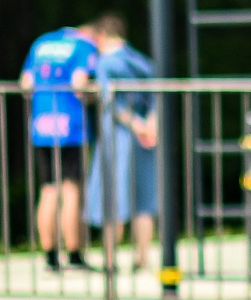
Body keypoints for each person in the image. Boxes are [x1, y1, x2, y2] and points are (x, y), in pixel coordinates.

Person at [81, 14, 160, 270]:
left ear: (102, 36)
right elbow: (157, 96)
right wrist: (150, 123)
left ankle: (111, 260)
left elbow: (110, 101)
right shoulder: (141, 60)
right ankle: (142, 258)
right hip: (146, 137)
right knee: (144, 197)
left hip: (119, 136)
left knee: (112, 196)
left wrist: (133, 123)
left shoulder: (105, 63)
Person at [20, 21, 100, 270]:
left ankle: (50, 256)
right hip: (70, 125)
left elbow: (25, 84)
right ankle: (74, 253)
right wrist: (95, 93)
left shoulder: (42, 42)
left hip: (42, 124)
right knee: (71, 189)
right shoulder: (84, 45)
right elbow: (79, 83)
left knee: (48, 190)